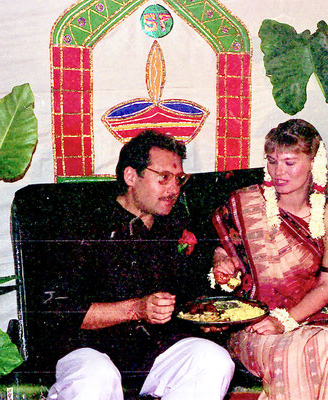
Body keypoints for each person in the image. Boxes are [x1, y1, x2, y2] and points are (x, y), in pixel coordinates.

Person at [210, 119, 328, 400]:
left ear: (314, 161)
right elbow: (225, 248)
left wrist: (286, 321)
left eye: (290, 163)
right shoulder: (245, 203)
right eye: (273, 161)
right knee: (295, 353)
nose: (279, 172)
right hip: (255, 321)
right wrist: (221, 262)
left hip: (315, 311)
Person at [47, 130, 235, 400]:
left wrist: (206, 318)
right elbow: (59, 311)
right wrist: (136, 309)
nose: (174, 189)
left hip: (153, 352)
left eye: (179, 179)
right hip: (89, 352)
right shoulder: (82, 225)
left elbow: (189, 296)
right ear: (131, 176)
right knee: (98, 377)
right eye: (164, 178)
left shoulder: (174, 226)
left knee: (213, 359)